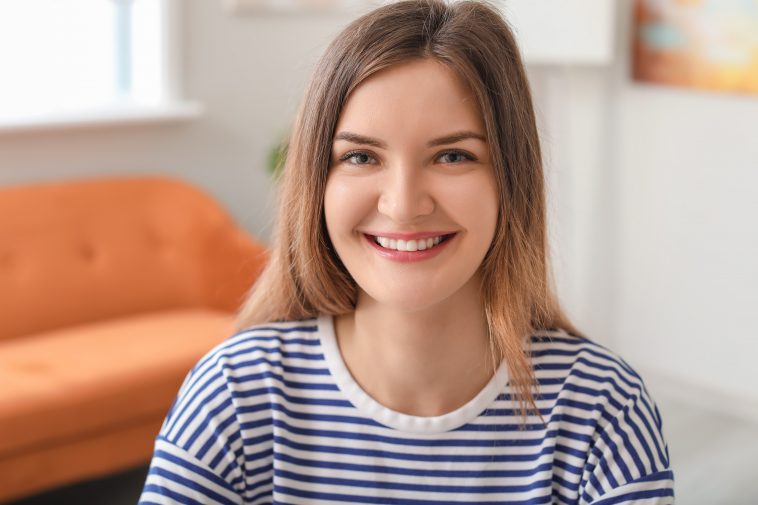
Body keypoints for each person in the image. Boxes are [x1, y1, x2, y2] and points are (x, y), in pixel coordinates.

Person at [139, 1, 674, 503]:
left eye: (453, 155)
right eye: (361, 157)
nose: (402, 206)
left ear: (511, 181)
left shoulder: (603, 410)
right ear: (316, 182)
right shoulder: (233, 396)